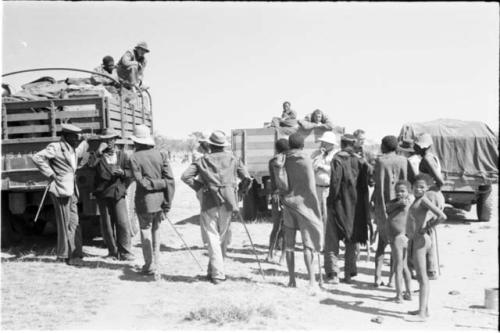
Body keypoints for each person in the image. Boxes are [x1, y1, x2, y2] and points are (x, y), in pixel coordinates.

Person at [181, 131, 251, 284]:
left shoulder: (202, 160)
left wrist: (201, 188)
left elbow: (185, 176)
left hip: (209, 202)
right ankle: (215, 271)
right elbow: (247, 178)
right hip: (228, 202)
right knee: (223, 238)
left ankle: (217, 273)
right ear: (223, 145)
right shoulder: (234, 159)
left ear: (211, 145)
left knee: (213, 238)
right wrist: (238, 194)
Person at [32, 124, 89, 265]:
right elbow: (37, 157)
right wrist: (50, 173)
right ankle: (65, 255)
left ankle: (76, 253)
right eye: (75, 137)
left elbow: (83, 147)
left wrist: (88, 140)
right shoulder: (55, 147)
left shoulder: (73, 147)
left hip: (72, 190)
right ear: (66, 136)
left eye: (78, 137)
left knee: (74, 222)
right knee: (65, 223)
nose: (77, 139)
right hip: (61, 190)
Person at [129, 124, 175, 278]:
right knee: (156, 230)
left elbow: (140, 181)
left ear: (136, 142)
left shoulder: (134, 157)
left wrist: (152, 183)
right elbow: (170, 181)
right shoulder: (161, 155)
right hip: (160, 201)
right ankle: (156, 263)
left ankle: (149, 265)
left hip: (144, 202)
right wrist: (167, 202)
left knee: (145, 230)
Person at [324, 134, 370, 284]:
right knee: (351, 238)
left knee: (332, 239)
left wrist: (330, 201)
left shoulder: (337, 159)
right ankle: (349, 274)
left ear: (341, 144)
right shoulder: (361, 160)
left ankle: (333, 273)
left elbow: (335, 182)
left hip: (339, 204)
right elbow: (367, 183)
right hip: (355, 206)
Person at [281, 133, 323, 288]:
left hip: (288, 203)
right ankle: (312, 280)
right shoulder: (305, 160)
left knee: (289, 245)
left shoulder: (283, 159)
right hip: (304, 205)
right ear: (302, 145)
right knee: (308, 245)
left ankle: (291, 280)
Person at [88, 128, 134, 261]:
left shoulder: (122, 155)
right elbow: (90, 165)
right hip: (102, 194)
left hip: (118, 193)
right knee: (107, 224)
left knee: (122, 222)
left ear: (115, 140)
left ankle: (125, 252)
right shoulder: (97, 156)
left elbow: (131, 173)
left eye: (111, 139)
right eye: (106, 140)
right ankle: (112, 252)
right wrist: (98, 152)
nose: (109, 142)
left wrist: (123, 174)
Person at [406, 174, 447, 322]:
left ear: (427, 188)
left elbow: (442, 216)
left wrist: (427, 227)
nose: (418, 189)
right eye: (416, 186)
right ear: (412, 188)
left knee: (422, 278)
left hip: (421, 240)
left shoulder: (423, 200)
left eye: (422, 187)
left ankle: (422, 314)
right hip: (417, 239)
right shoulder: (416, 200)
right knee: (420, 276)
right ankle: (424, 309)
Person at [373, 135, 410, 287]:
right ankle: (391, 280)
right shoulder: (403, 161)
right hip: (400, 208)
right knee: (397, 247)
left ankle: (377, 277)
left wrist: (378, 208)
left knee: (381, 245)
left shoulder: (381, 161)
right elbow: (406, 183)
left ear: (384, 146)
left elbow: (378, 187)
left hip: (385, 206)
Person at [414, 133, 444, 280]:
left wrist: (431, 188)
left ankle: (430, 269)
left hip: (431, 195)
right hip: (434, 193)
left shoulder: (426, 159)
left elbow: (440, 180)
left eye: (418, 146)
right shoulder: (433, 157)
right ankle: (430, 268)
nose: (416, 148)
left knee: (426, 231)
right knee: (429, 231)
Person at [386, 180, 414, 303]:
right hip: (394, 237)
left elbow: (404, 204)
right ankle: (409, 293)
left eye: (402, 191)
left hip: (399, 237)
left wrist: (401, 202)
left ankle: (399, 296)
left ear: (409, 192)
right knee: (404, 266)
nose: (399, 194)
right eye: (397, 191)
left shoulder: (406, 202)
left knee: (398, 267)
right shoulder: (394, 203)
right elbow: (388, 208)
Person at [266, 138, 290, 264]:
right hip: (288, 196)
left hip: (276, 195)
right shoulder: (291, 160)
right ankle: (283, 257)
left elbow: (272, 180)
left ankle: (269, 254)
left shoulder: (272, 161)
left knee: (275, 226)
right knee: (287, 228)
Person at [310, 131, 338, 232]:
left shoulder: (336, 155)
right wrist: (320, 156)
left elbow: (335, 170)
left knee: (327, 215)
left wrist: (322, 166)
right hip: (317, 187)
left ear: (331, 144)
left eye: (325, 142)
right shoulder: (316, 153)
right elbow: (311, 167)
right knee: (316, 214)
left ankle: (327, 240)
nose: (323, 144)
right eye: (323, 142)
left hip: (328, 188)